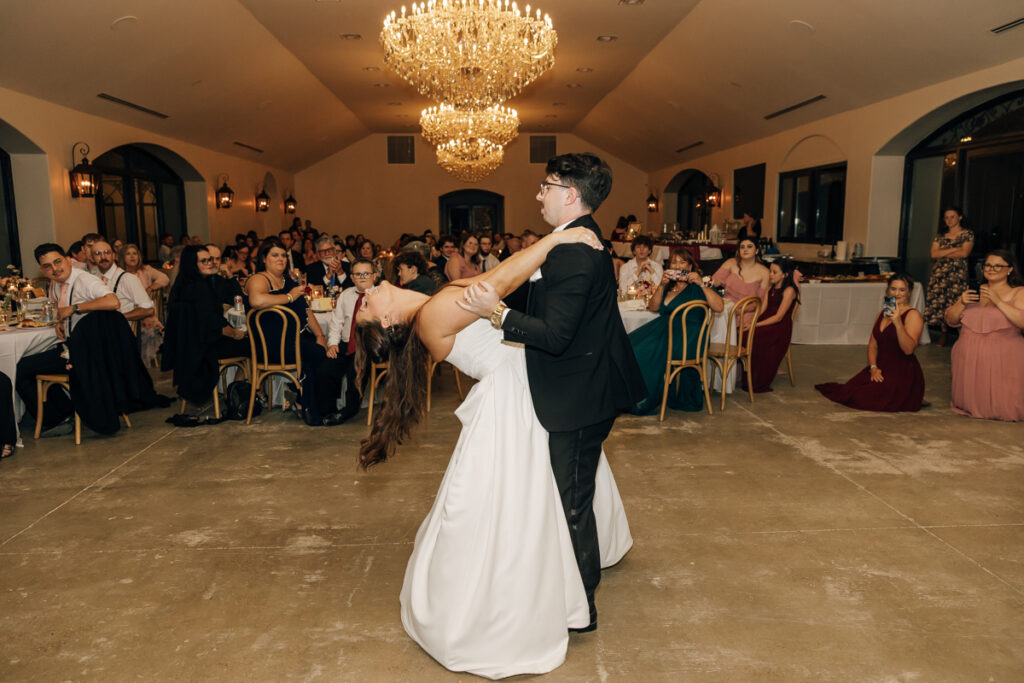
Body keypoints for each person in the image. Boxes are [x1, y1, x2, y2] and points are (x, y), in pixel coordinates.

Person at [355, 225, 634, 679]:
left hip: (524, 383)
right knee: (517, 502)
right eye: (366, 305)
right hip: (515, 396)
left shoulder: (431, 308)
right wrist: (556, 240)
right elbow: (499, 283)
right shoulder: (431, 316)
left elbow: (501, 285)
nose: (366, 293)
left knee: (548, 487)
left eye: (365, 297)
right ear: (387, 323)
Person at [458, 152, 647, 637]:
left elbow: (557, 334)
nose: (538, 194)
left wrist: (495, 313)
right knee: (572, 492)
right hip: (582, 383)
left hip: (579, 394)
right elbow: (542, 297)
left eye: (546, 186)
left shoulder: (572, 251)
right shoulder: (571, 241)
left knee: (571, 503)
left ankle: (581, 606)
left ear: (570, 194)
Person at [16, 244, 119, 433]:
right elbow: (59, 311)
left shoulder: (84, 280)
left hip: (89, 354)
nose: (55, 269)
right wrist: (58, 321)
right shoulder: (55, 284)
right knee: (24, 364)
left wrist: (75, 308)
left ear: (67, 259)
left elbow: (113, 301)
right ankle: (62, 412)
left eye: (57, 262)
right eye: (47, 266)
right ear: (41, 269)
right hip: (70, 347)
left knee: (20, 369)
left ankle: (58, 416)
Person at [628, 249, 723, 415]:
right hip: (664, 331)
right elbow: (653, 307)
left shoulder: (702, 285)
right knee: (629, 344)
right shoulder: (668, 287)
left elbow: (719, 307)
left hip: (688, 338)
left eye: (682, 262)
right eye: (674, 262)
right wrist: (662, 284)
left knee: (642, 350)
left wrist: (700, 283)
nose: (677, 266)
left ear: (690, 266)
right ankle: (629, 395)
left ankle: (643, 400)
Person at [244, 239, 328, 425]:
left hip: (292, 341)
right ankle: (306, 403)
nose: (281, 259)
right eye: (275, 255)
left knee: (324, 349)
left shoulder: (286, 280)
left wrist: (320, 335)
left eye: (283, 255)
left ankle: (303, 398)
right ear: (264, 259)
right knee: (315, 353)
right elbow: (256, 301)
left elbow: (305, 309)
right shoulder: (259, 279)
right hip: (269, 346)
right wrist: (289, 296)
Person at [816, 273, 925, 412]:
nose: (897, 293)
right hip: (880, 367)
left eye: (902, 290)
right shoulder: (882, 313)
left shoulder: (913, 315)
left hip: (901, 371)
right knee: (848, 391)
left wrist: (898, 323)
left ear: (909, 292)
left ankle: (909, 394)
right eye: (893, 289)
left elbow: (908, 350)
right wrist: (873, 367)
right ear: (887, 291)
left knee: (864, 398)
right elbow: (873, 345)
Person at [160, 246, 249, 407]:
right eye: (204, 261)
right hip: (203, 351)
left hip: (188, 349)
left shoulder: (181, 286)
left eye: (210, 260)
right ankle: (236, 390)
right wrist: (238, 334)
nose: (210, 263)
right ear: (192, 264)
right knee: (254, 344)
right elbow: (215, 325)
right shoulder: (199, 288)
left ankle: (235, 389)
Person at [945, 249, 1024, 421]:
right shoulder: (973, 289)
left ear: (1010, 269)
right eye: (988, 265)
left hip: (1003, 356)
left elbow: (1021, 321)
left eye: (998, 266)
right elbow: (951, 320)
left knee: (1003, 401)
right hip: (968, 353)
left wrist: (998, 301)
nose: (991, 269)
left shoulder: (1018, 292)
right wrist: (961, 303)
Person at [313, 260, 377, 426]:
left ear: (374, 276)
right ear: (352, 277)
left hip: (369, 346)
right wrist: (332, 344)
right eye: (357, 274)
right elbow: (336, 323)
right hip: (346, 343)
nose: (362, 277)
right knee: (325, 370)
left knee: (354, 373)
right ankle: (328, 411)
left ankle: (349, 410)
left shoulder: (382, 296)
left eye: (366, 274)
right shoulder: (346, 295)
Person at [742, 259, 799, 393]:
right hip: (767, 321)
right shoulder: (770, 288)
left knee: (754, 335)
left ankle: (759, 379)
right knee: (742, 332)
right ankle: (748, 376)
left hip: (779, 327)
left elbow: (779, 316)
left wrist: (756, 326)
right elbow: (762, 310)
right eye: (770, 271)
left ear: (785, 274)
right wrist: (751, 322)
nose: (771, 275)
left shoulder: (789, 290)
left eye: (775, 272)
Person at [924, 207, 974, 345]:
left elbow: (964, 253)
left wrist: (943, 250)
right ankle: (944, 334)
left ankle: (962, 336)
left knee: (957, 302)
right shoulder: (940, 235)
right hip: (940, 274)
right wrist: (955, 248)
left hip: (957, 275)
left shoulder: (967, 234)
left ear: (960, 217)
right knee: (941, 303)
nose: (949, 220)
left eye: (952, 216)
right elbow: (934, 254)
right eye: (946, 217)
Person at [123, 244, 170, 366]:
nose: (132, 256)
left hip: (145, 310)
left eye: (135, 253)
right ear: (122, 257)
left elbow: (165, 278)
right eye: (128, 254)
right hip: (129, 310)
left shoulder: (146, 270)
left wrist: (151, 287)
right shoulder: (120, 274)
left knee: (145, 316)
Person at [92, 240, 155, 323]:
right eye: (97, 254)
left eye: (107, 252)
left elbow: (148, 310)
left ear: (113, 256)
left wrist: (119, 318)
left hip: (122, 331)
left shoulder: (127, 279)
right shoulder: (94, 279)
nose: (103, 257)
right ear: (92, 258)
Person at [711, 237, 769, 304]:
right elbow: (716, 281)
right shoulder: (731, 263)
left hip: (749, 310)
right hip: (727, 307)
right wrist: (702, 281)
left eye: (749, 247)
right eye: (742, 247)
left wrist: (741, 311)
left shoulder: (765, 272)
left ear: (756, 251)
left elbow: (761, 301)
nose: (745, 249)